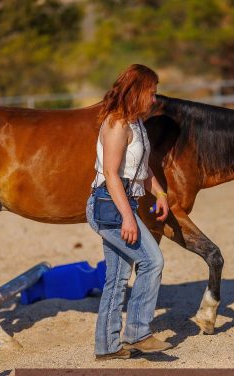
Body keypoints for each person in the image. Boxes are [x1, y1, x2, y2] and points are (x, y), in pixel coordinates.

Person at [86, 64, 172, 360]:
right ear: (137, 91)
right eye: (151, 92)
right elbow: (111, 174)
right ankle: (138, 331)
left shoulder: (136, 123)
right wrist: (127, 217)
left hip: (123, 202)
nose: (154, 99)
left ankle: (107, 347)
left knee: (118, 276)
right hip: (108, 205)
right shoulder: (117, 124)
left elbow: (142, 169)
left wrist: (159, 192)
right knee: (152, 261)